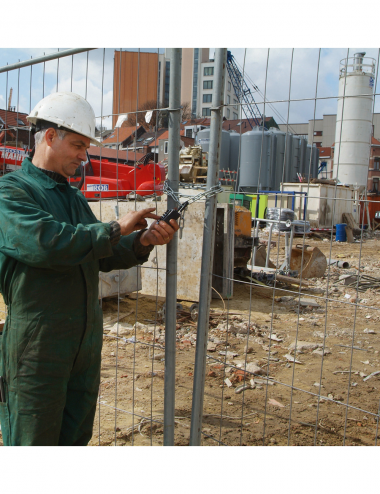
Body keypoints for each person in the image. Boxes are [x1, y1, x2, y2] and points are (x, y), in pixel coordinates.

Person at [0, 92, 178, 446]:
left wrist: (142, 240)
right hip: (38, 347)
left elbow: (100, 253)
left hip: (84, 345)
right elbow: (47, 243)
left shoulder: (72, 197)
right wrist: (114, 228)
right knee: (32, 440)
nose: (84, 157)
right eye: (79, 146)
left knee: (74, 439)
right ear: (50, 137)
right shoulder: (11, 191)